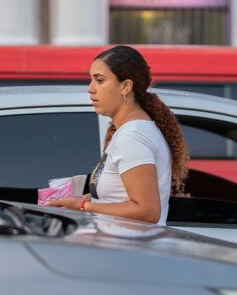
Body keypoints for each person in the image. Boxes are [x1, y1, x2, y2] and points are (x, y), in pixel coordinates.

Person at [49, 45, 188, 225]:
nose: (90, 88)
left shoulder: (133, 136)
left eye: (99, 80)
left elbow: (147, 211)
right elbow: (123, 199)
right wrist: (91, 201)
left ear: (125, 87)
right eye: (91, 80)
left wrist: (83, 206)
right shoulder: (131, 130)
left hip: (132, 249)